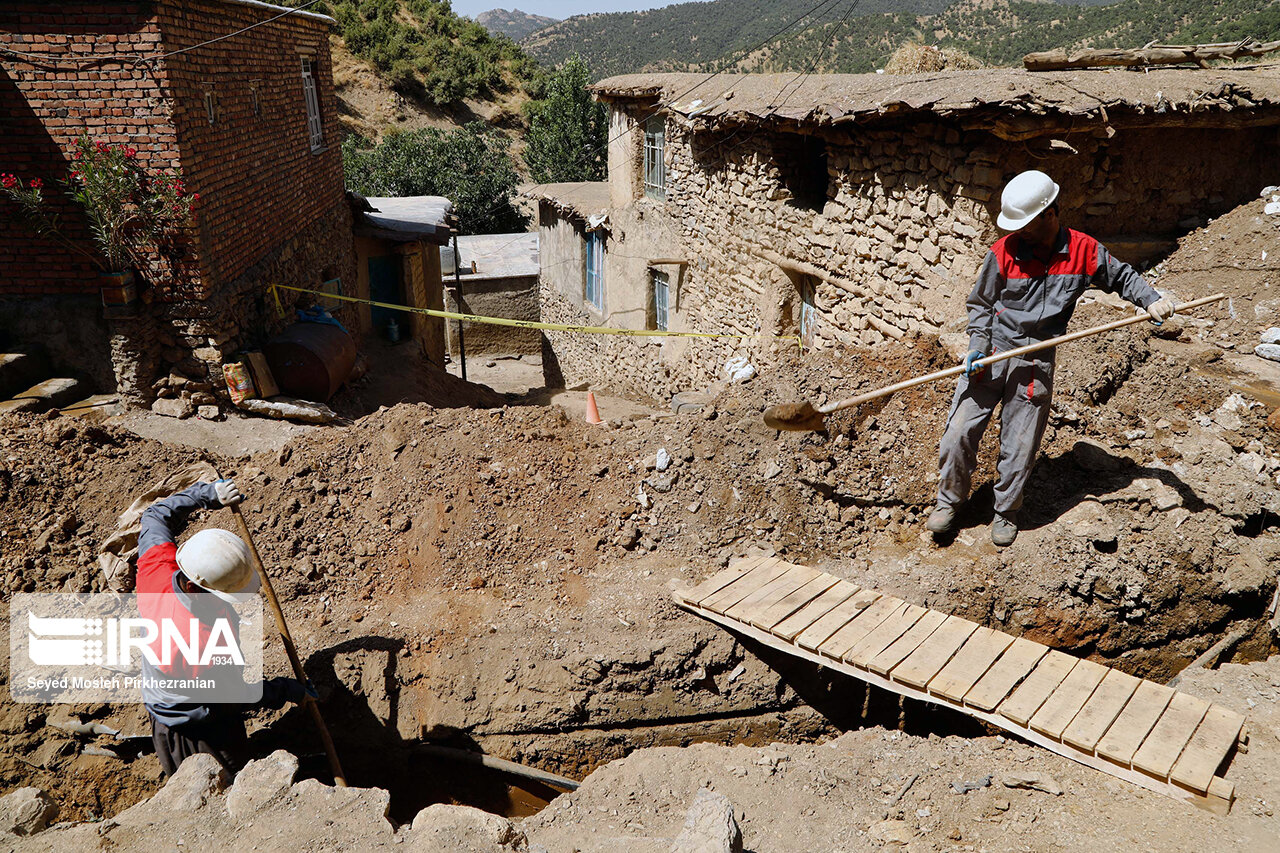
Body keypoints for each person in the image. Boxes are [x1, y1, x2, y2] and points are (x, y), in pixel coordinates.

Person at [925, 170, 1176, 546]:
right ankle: (949, 503)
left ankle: (1006, 511)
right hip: (992, 352)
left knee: (1020, 442)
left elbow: (1122, 276)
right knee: (959, 432)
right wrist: (977, 343)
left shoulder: (1084, 250)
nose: (1019, 231)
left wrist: (1151, 298)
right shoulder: (1002, 252)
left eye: (1026, 223)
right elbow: (980, 303)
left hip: (1035, 359)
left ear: (1050, 213)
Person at [137, 478, 314, 776]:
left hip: (194, 696)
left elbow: (155, 515)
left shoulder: (158, 568)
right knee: (222, 785)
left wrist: (207, 495)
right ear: (194, 587)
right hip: (192, 724)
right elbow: (235, 696)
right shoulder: (197, 644)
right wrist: (288, 690)